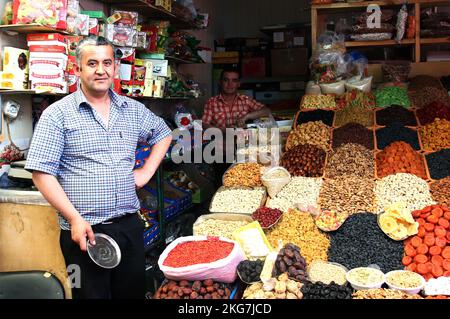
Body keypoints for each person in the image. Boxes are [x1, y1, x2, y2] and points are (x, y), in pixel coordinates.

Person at [25, 36, 172, 299]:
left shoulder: (132, 110)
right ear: (77, 69)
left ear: (115, 68)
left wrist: (146, 172)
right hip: (83, 231)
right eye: (91, 63)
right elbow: (41, 173)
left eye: (107, 63)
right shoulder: (57, 115)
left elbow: (163, 133)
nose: (100, 70)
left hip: (129, 227)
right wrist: (73, 218)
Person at [202, 66, 272, 130]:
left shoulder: (246, 100)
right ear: (220, 82)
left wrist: (246, 117)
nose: (230, 84)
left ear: (238, 84)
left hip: (243, 141)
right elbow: (204, 124)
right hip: (220, 141)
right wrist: (224, 130)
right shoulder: (211, 102)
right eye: (226, 80)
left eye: (234, 80)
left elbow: (267, 111)